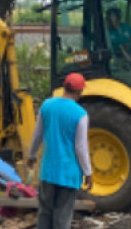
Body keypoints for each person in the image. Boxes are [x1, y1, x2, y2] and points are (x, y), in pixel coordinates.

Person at [27, 72, 92, 229]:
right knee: (62, 216)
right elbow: (80, 147)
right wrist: (88, 172)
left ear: (64, 87)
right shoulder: (81, 115)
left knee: (44, 212)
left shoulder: (47, 106)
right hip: (69, 174)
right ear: (79, 92)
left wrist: (32, 155)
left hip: (48, 171)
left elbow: (37, 135)